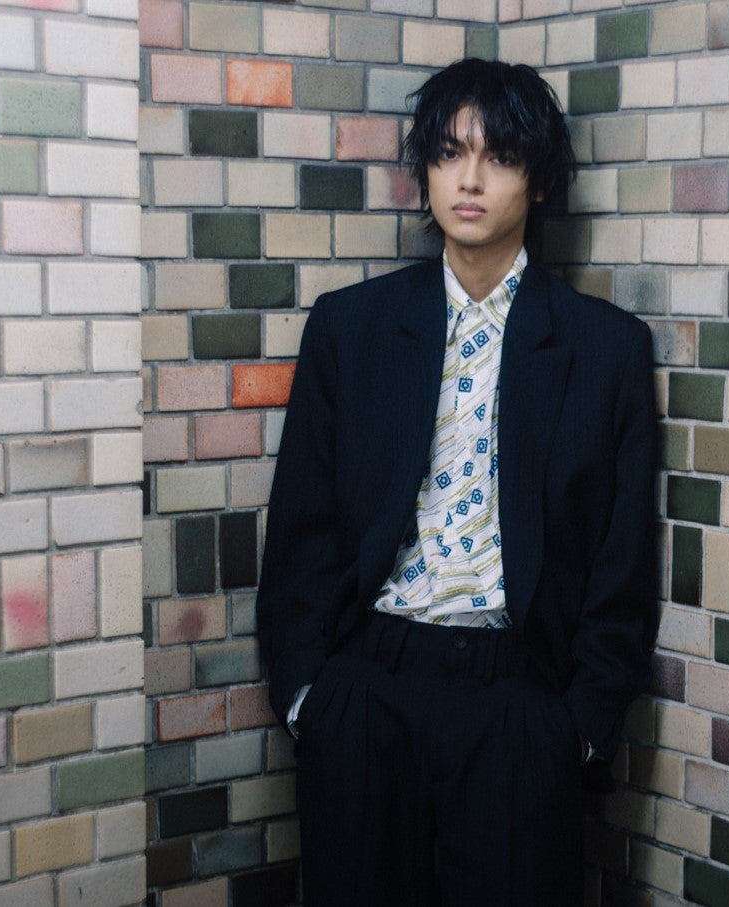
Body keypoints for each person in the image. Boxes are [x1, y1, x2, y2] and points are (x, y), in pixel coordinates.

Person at [256, 57, 658, 907]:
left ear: (539, 180)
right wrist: (308, 699)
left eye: (498, 156)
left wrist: (575, 729)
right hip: (369, 686)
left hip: (518, 700)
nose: (468, 180)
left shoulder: (605, 350)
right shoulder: (351, 328)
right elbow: (300, 531)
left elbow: (621, 568)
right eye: (448, 153)